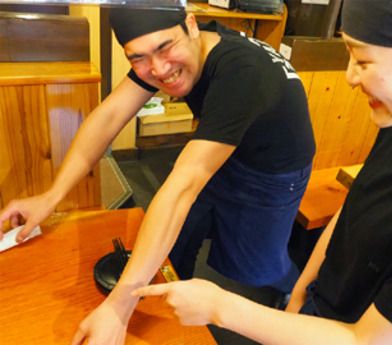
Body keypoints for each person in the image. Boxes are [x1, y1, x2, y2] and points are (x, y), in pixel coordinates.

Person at [132, 0, 392, 344]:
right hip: (319, 313)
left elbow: (368, 341)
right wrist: (300, 297)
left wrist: (219, 306)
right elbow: (351, 212)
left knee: (256, 263)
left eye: (363, 60)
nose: (349, 76)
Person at [0, 6, 315, 345]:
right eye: (138, 58)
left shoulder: (241, 72)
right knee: (173, 240)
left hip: (273, 170)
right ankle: (166, 303)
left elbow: (183, 187)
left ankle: (304, 296)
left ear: (190, 26)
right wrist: (51, 196)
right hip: (221, 147)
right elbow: (109, 116)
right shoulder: (177, 44)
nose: (159, 69)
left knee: (256, 268)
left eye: (165, 48)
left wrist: (118, 307)